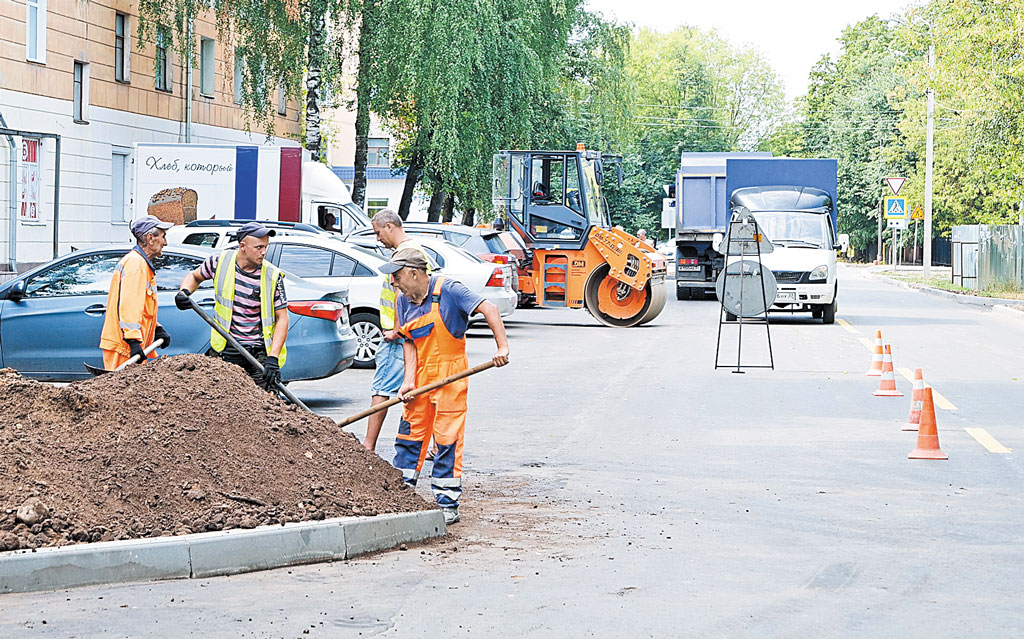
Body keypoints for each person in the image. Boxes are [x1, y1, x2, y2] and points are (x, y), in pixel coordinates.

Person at [384, 249, 510, 525]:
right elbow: (408, 340)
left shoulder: (448, 290)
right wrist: (408, 380)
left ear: (414, 273)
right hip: (420, 378)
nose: (393, 282)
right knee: (409, 436)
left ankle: (446, 503)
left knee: (446, 440)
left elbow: (488, 308)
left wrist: (501, 347)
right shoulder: (403, 300)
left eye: (396, 276)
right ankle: (402, 496)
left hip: (450, 375)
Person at [174, 222, 288, 391]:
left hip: (259, 352)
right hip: (228, 348)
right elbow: (194, 276)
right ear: (243, 246)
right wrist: (184, 291)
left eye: (266, 247)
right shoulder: (219, 262)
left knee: (265, 404)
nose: (264, 252)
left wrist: (273, 358)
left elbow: (282, 318)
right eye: (259, 247)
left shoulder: (272, 275)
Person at [362, 209, 434, 451]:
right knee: (423, 387)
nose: (378, 238)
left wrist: (398, 329)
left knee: (382, 388)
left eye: (378, 232)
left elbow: (401, 294)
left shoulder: (404, 255)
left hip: (399, 335)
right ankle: (435, 445)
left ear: (390, 227)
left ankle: (368, 446)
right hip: (411, 332)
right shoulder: (414, 251)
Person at [99, 216, 174, 370]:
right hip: (125, 347)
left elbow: (142, 307)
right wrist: (133, 341)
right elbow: (129, 305)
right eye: (163, 236)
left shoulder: (141, 264)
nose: (165, 242)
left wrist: (156, 328)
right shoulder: (136, 264)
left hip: (129, 344)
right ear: (150, 238)